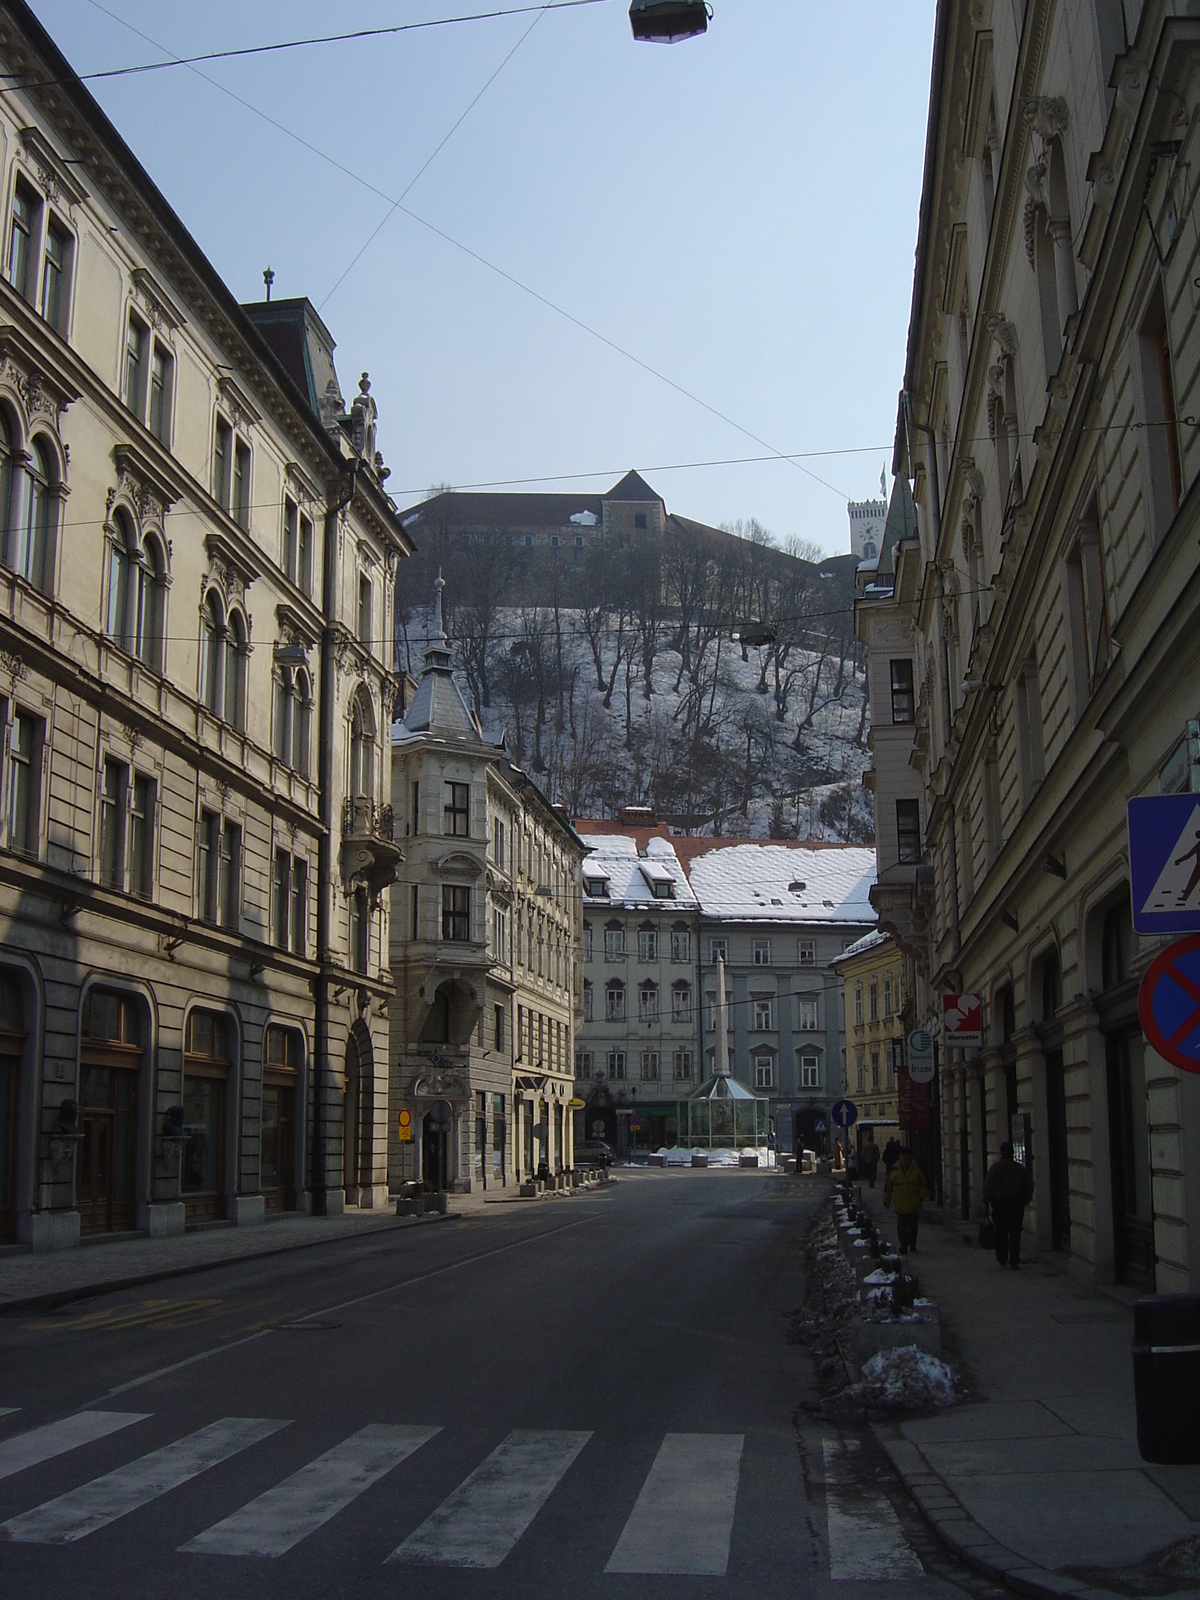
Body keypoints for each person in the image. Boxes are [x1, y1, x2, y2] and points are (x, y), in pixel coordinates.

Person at [982, 1141, 1034, 1268]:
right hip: (1016, 1203)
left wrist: (986, 1200)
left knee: (1001, 1232)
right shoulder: (1020, 1169)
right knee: (1015, 1232)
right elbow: (1029, 1185)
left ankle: (1002, 1257)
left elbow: (988, 1186)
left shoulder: (995, 1168)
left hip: (1000, 1204)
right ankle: (1014, 1259)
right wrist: (1025, 1199)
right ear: (1012, 1153)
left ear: (1001, 1152)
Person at [883, 1146, 929, 1253]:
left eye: (905, 1157)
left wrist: (921, 1197)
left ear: (910, 1157)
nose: (903, 1159)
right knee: (902, 1227)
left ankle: (912, 1244)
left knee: (913, 1227)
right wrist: (886, 1200)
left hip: (914, 1204)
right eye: (902, 1157)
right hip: (900, 1204)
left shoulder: (917, 1169)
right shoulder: (894, 1170)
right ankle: (903, 1245)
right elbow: (888, 1187)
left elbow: (926, 1185)